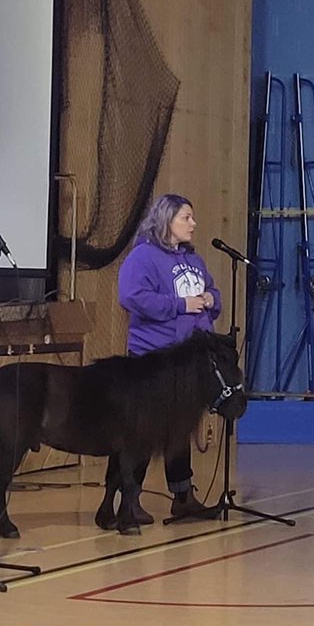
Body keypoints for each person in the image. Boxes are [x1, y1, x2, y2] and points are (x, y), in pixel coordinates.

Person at [96, 192, 221, 529]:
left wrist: (212, 298)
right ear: (167, 221)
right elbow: (133, 297)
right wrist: (182, 306)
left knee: (178, 429)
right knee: (142, 430)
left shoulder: (192, 259)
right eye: (186, 218)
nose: (193, 224)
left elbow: (210, 291)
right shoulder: (144, 257)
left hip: (186, 361)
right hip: (153, 359)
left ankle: (183, 496)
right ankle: (128, 499)